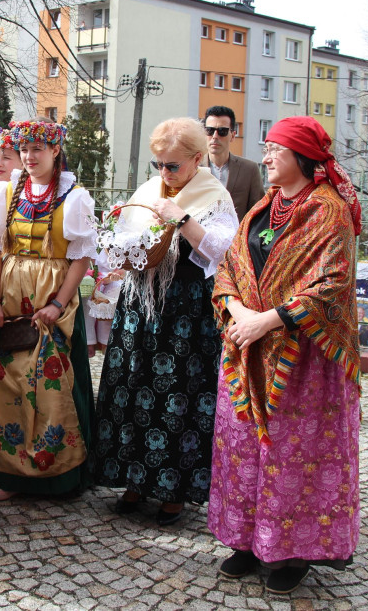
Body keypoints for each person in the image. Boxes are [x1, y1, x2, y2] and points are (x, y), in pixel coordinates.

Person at [209, 115, 362, 594]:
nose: (267, 156)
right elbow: (230, 268)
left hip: (302, 356)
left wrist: (265, 321)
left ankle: (294, 551)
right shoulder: (263, 207)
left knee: (295, 453)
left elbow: (331, 285)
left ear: (301, 157)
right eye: (267, 147)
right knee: (242, 448)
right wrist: (237, 314)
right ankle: (247, 541)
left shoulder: (327, 211)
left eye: (276, 148)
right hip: (248, 348)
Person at [93, 117, 239, 526]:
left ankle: (173, 490)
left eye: (173, 165)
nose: (164, 173)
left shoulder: (213, 195)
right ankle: (134, 479)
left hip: (186, 312)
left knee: (177, 394)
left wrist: (182, 219)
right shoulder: (147, 190)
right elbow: (122, 242)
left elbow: (224, 252)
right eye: (158, 164)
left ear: (197, 159)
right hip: (141, 306)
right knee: (132, 384)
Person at [0, 119, 98, 501]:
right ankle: (12, 475)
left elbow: (80, 258)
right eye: (25, 150)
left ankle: (56, 475)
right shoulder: (8, 191)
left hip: (51, 298)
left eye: (38, 150)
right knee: (5, 381)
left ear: (55, 152)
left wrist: (59, 304)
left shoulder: (75, 196)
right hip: (12, 296)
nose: (29, 157)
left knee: (50, 383)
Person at [203, 106, 265, 222]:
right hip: (199, 238)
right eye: (210, 130)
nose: (215, 136)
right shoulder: (193, 168)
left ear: (233, 135)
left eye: (222, 131)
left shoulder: (249, 170)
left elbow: (259, 212)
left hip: (237, 238)